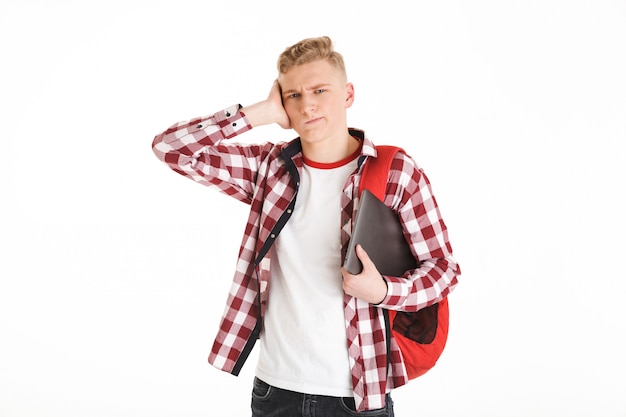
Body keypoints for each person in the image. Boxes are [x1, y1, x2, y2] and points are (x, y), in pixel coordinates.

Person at [152, 36, 460, 416]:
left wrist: (383, 291)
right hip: (275, 391)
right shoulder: (269, 169)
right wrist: (259, 112)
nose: (307, 104)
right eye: (293, 95)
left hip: (357, 395)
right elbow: (171, 148)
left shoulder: (395, 171)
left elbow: (443, 271)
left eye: (319, 90)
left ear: (348, 94)